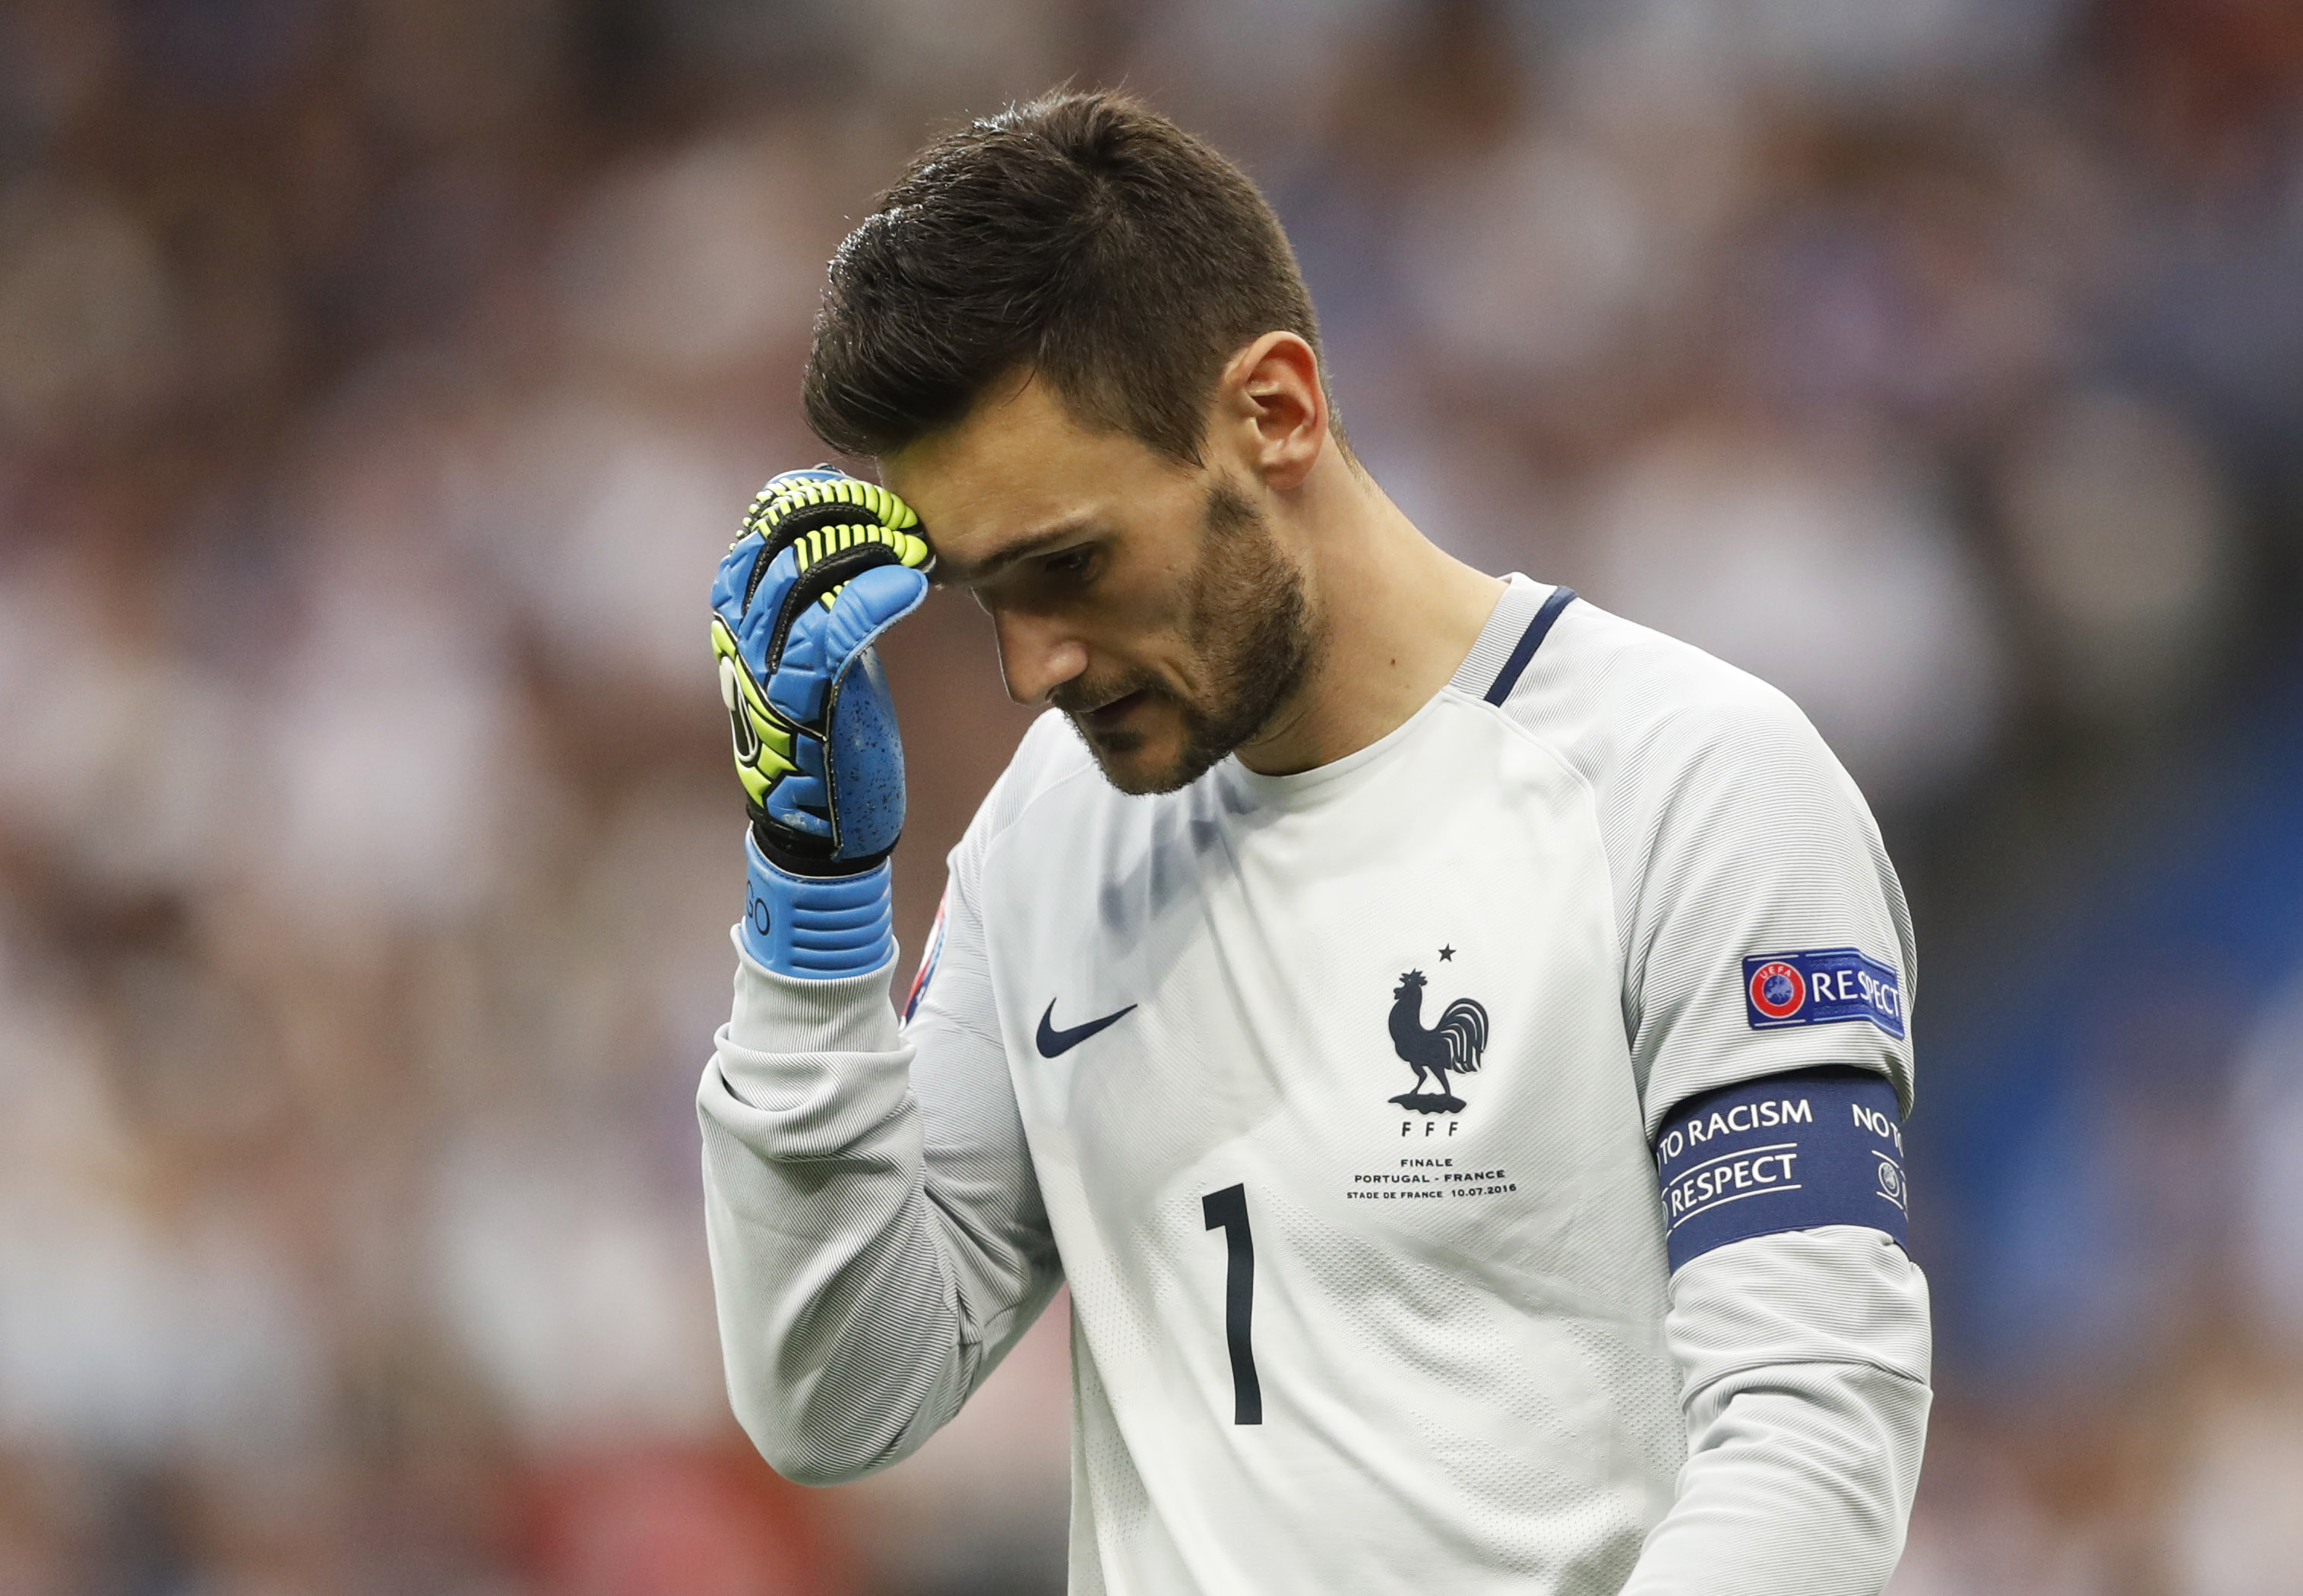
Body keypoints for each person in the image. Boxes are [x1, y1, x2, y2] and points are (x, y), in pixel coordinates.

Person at [698, 90, 1928, 1594]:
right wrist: (815, 920)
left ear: (1275, 411)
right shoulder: (1048, 832)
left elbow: (1810, 1440)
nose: (1031, 666)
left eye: (1069, 563)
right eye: (984, 596)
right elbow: (840, 1397)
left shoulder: (1691, 787)